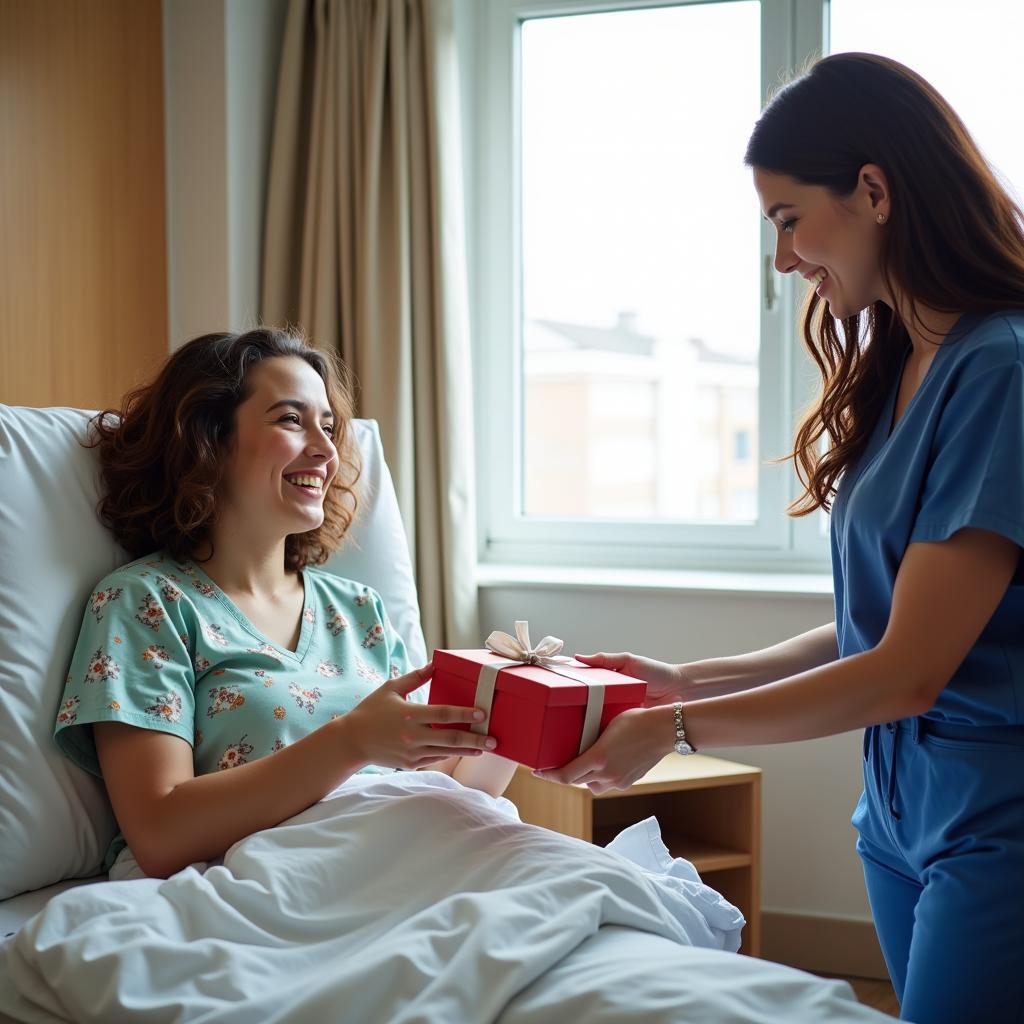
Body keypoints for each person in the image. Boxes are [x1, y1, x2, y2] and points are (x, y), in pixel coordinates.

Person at [536, 53, 1024, 1023]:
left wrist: (673, 731)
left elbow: (907, 671)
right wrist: (685, 679)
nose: (783, 260)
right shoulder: (903, 366)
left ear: (874, 191)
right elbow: (869, 629)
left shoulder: (1000, 368)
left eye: (788, 220)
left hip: (991, 816)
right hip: (893, 811)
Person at [54, 328, 516, 881]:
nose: (325, 450)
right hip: (271, 884)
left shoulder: (359, 612)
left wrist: (516, 722)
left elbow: (445, 790)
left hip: (402, 864)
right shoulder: (146, 604)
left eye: (328, 426)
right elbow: (157, 832)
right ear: (208, 439)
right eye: (291, 420)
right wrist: (351, 740)